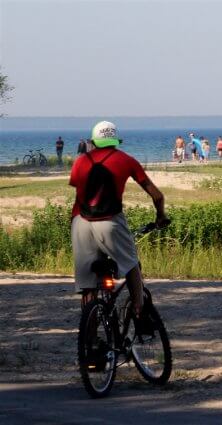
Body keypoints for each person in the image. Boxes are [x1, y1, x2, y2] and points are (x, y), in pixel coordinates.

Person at [69, 121, 168, 317]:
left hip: (80, 223)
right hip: (110, 222)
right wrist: (160, 216)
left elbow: (78, 193)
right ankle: (139, 311)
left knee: (89, 287)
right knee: (132, 263)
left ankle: (90, 337)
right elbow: (157, 196)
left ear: (94, 142)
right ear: (115, 141)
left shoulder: (81, 161)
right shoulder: (126, 160)